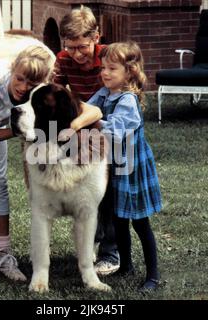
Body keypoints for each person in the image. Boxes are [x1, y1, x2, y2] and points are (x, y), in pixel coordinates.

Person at [0, 45, 102, 290]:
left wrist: (73, 124)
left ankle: (3, 256)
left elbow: (93, 110)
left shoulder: (35, 91)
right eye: (19, 79)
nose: (23, 87)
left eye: (32, 83)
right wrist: (20, 130)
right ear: (12, 69)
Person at [87, 42, 163, 291]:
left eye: (112, 68)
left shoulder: (127, 100)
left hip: (132, 169)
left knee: (140, 222)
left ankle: (152, 276)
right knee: (118, 219)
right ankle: (126, 266)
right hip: (115, 167)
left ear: (129, 72)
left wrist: (95, 121)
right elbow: (87, 108)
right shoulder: (104, 93)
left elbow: (114, 132)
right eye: (103, 68)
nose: (105, 73)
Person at [53, 5, 120, 276]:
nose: (76, 54)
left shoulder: (109, 58)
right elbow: (55, 92)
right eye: (70, 47)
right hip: (83, 133)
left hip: (112, 129)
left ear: (96, 37)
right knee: (86, 190)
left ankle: (110, 252)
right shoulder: (63, 59)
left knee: (109, 194)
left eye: (82, 47)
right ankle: (90, 240)